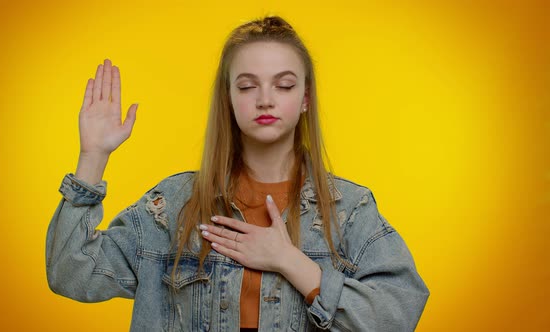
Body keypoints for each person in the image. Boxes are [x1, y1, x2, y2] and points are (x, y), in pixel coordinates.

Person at [46, 16, 429, 331]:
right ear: (228, 98)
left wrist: (290, 262)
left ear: (305, 98)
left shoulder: (349, 210)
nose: (265, 98)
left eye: (284, 85)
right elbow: (70, 273)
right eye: (247, 86)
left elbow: (399, 314)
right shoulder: (174, 205)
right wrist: (93, 156)